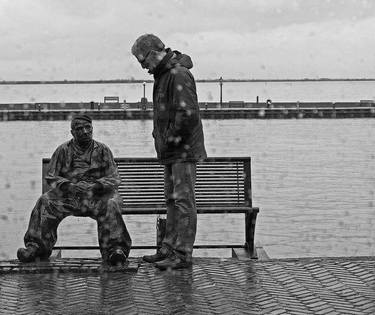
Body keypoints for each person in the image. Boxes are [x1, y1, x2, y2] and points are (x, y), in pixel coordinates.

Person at [131, 34, 207, 270]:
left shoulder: (178, 74)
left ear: (153, 53)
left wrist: (169, 140)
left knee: (183, 201)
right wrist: (161, 140)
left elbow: (188, 115)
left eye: (143, 61)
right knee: (172, 201)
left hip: (183, 151)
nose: (143, 67)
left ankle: (182, 254)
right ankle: (168, 249)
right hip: (172, 151)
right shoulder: (163, 75)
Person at [17, 114, 132, 265]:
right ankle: (37, 247)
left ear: (92, 129)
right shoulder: (62, 150)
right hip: (70, 197)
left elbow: (114, 177)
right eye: (79, 129)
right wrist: (69, 186)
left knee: (111, 204)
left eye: (88, 128)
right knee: (45, 201)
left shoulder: (103, 150)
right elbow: (52, 177)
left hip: (97, 197)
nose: (85, 131)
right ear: (72, 132)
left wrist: (96, 185)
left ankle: (115, 250)